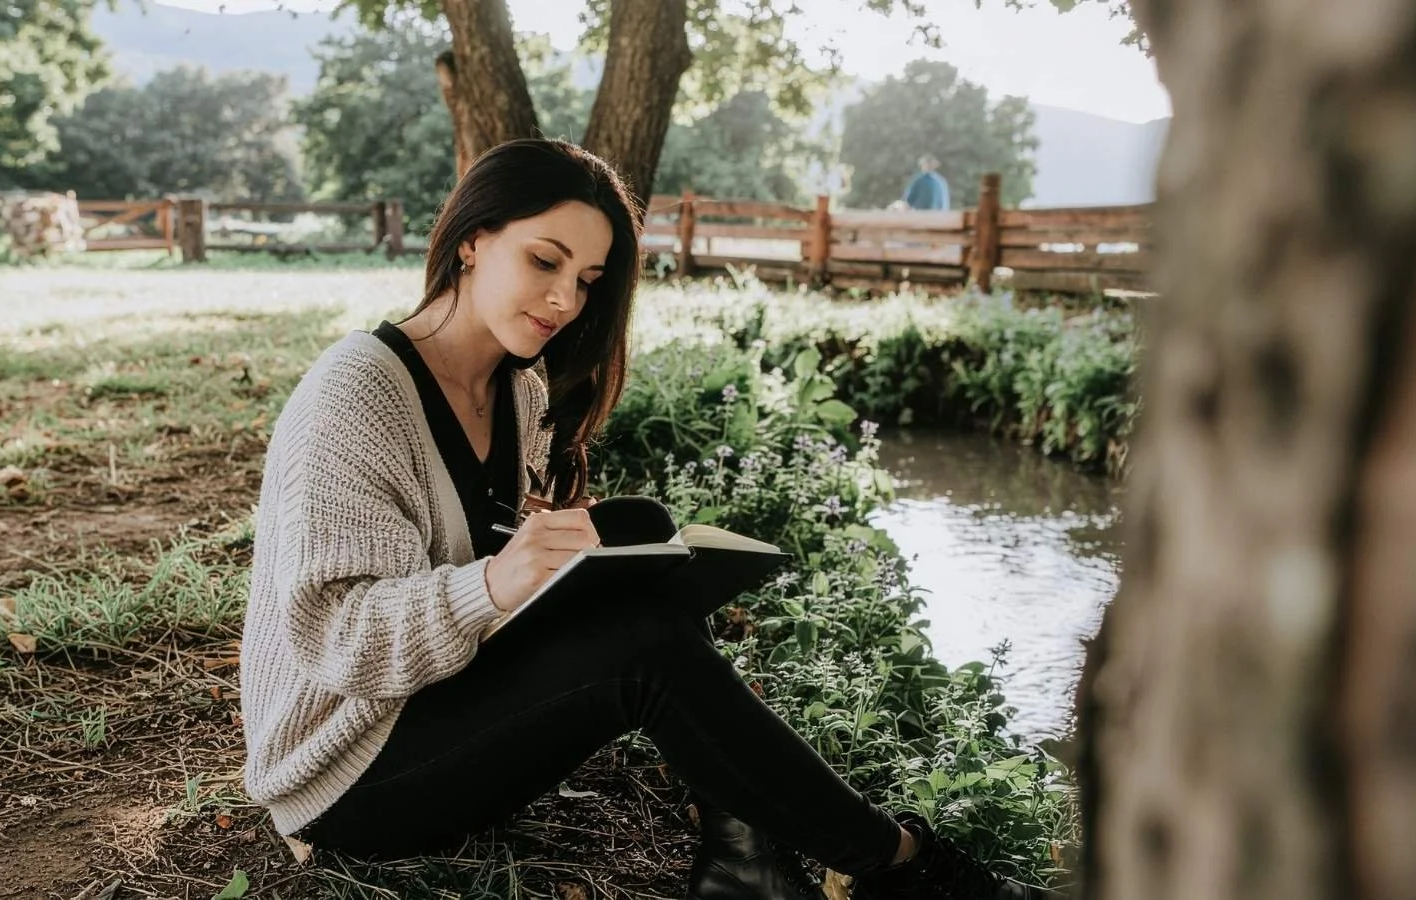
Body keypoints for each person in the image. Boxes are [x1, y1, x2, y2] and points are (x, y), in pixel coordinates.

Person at [238, 138, 1045, 900]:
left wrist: (554, 557)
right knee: (644, 647)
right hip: (344, 772)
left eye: (587, 279)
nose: (564, 299)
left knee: (639, 548)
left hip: (429, 703)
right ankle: (899, 867)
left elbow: (478, 553)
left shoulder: (518, 385)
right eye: (544, 261)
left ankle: (744, 859)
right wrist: (494, 581)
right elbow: (339, 636)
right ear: (473, 240)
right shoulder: (357, 395)